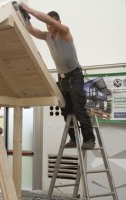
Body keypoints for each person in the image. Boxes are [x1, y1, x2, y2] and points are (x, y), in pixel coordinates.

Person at [20, 3, 95, 149]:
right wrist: (24, 16)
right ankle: (73, 139)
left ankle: (89, 139)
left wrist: (30, 10)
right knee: (65, 110)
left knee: (79, 109)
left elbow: (49, 21)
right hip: (62, 78)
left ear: (58, 23)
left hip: (75, 75)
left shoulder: (64, 31)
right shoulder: (47, 36)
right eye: (47, 25)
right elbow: (31, 30)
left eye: (50, 23)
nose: (48, 27)